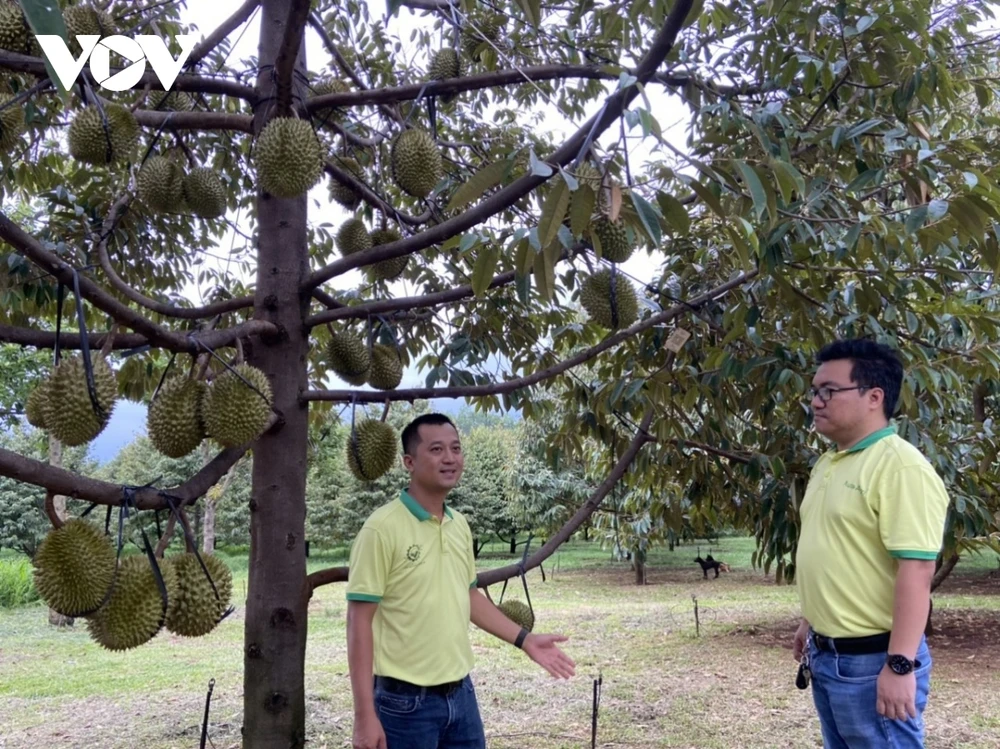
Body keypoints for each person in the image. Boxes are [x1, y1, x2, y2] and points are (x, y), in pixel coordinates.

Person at [345, 413, 576, 749]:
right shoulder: (380, 529)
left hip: (461, 694)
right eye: (436, 449)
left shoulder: (459, 525)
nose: (450, 458)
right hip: (403, 703)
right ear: (409, 462)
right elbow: (358, 622)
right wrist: (364, 715)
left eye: (455, 448)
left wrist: (524, 639)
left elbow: (468, 597)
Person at [792, 339, 949, 748]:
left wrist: (900, 665)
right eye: (814, 391)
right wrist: (812, 621)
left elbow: (916, 569)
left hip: (872, 661)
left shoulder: (900, 467)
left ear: (874, 397)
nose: (816, 401)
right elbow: (839, 551)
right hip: (829, 657)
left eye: (829, 390)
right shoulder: (830, 461)